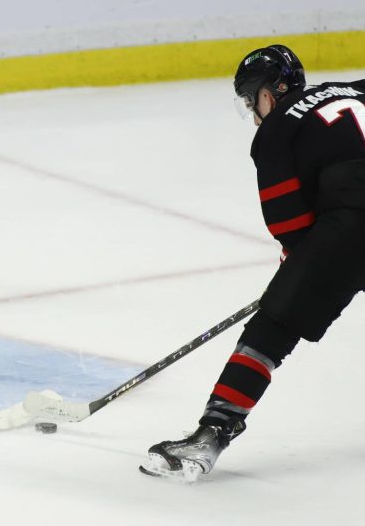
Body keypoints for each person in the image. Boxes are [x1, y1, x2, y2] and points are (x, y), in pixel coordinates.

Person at [140, 45, 365, 480]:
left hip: (350, 226)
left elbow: (291, 227)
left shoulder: (277, 130)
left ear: (270, 93)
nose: (254, 112)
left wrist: (298, 274)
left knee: (272, 330)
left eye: (251, 100)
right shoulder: (354, 88)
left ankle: (210, 435)